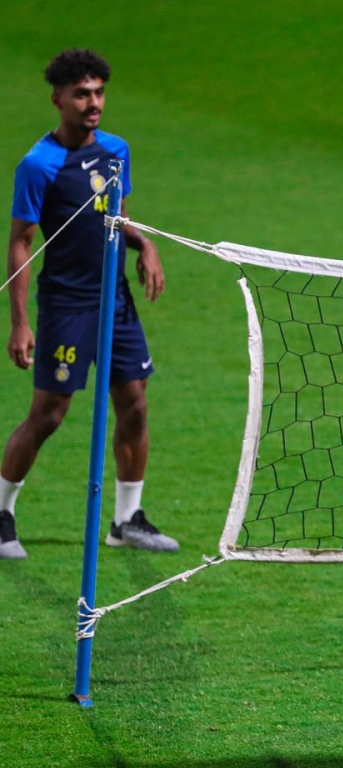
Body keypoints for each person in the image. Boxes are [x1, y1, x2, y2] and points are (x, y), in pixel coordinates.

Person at [1, 49, 178, 559]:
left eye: (99, 92)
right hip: (67, 305)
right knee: (49, 414)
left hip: (116, 302)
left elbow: (113, 216)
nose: (93, 102)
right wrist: (19, 322)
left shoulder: (117, 151)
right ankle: (0, 513)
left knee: (135, 404)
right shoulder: (39, 165)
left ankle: (127, 521)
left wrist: (145, 244)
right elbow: (20, 241)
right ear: (58, 99)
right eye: (82, 94)